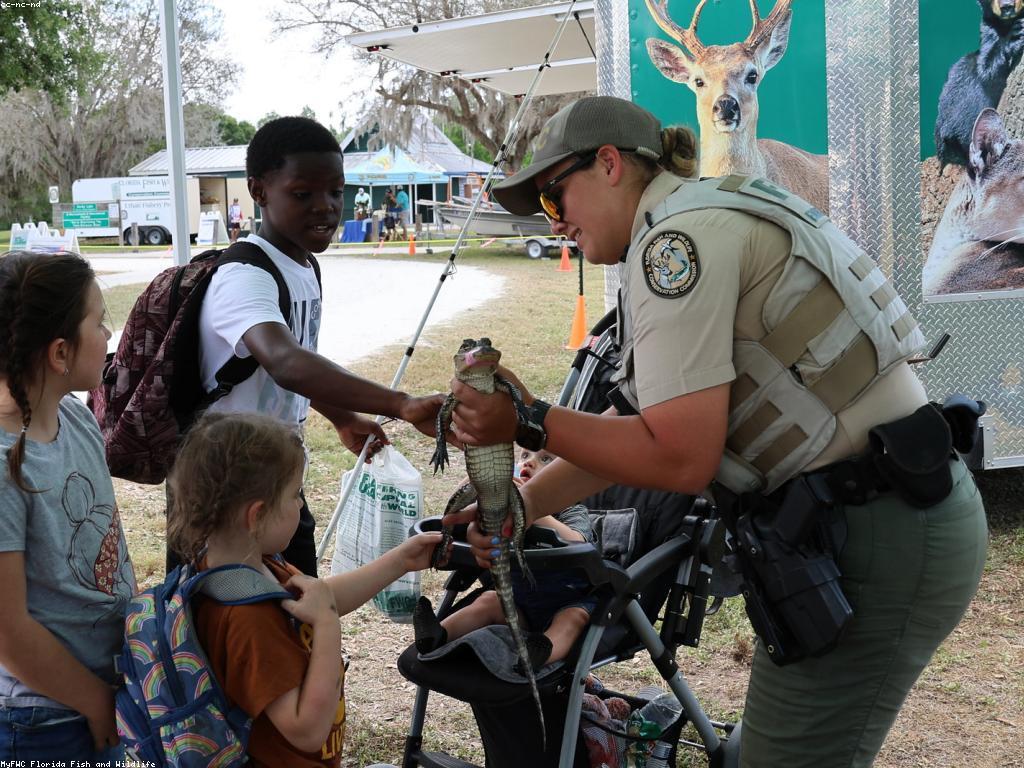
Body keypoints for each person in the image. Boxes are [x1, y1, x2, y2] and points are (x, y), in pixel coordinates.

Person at [442, 96, 988, 768]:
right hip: (880, 514)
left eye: (556, 200)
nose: (558, 227)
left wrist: (527, 420)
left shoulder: (675, 246)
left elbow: (679, 458)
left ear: (609, 164)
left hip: (877, 532)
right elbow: (639, 428)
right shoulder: (697, 216)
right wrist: (525, 504)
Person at [191, 116, 443, 577]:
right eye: (303, 194)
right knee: (227, 632)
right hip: (225, 496)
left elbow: (297, 362)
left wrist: (343, 417)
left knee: (297, 620)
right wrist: (401, 404)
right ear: (259, 191)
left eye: (334, 191)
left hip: (278, 484)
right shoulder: (245, 274)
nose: (326, 207)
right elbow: (284, 361)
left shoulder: (301, 265)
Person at [167, 411, 443, 767]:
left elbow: (320, 595)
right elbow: (307, 730)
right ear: (256, 516)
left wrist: (401, 560)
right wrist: (327, 626)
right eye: (295, 494)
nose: (300, 503)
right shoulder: (248, 619)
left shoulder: (248, 567)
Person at [0, 250, 136, 762]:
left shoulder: (76, 420)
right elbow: (8, 634)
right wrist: (95, 703)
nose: (110, 336)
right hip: (41, 721)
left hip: (101, 692)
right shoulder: (4, 467)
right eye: (100, 323)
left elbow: (110, 547)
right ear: (60, 353)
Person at [412, 447, 597, 671]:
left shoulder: (571, 511)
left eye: (545, 459)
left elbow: (577, 542)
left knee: (572, 618)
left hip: (567, 600)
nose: (529, 462)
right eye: (525, 456)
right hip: (519, 603)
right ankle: (437, 635)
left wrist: (532, 507)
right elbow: (455, 515)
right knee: (488, 602)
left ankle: (540, 654)